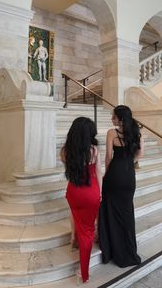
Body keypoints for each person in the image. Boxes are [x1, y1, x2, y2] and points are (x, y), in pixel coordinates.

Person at [99, 105, 144, 267]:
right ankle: (129, 250)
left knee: (110, 209)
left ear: (121, 118)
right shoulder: (137, 133)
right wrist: (128, 162)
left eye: (114, 117)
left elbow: (108, 156)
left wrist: (106, 173)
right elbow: (141, 154)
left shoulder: (112, 133)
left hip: (115, 174)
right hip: (128, 175)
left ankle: (112, 247)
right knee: (127, 212)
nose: (112, 119)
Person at [61, 117, 102, 284]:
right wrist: (100, 192)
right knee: (88, 232)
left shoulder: (65, 151)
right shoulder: (94, 150)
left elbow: (71, 171)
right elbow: (98, 172)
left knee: (76, 215)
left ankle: (73, 239)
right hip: (90, 192)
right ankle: (82, 273)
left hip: (73, 191)